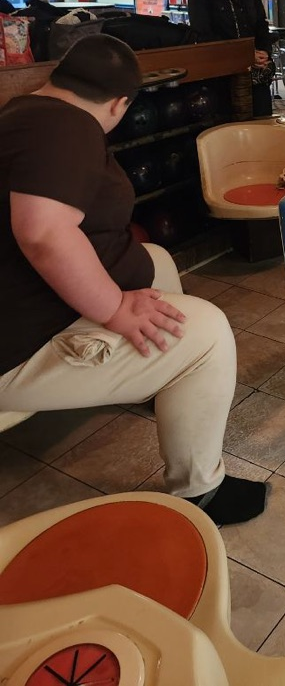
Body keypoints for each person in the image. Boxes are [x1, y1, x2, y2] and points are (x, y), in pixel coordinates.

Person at [0, 35, 266, 527]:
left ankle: (165, 382)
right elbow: (42, 233)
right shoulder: (68, 129)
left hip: (30, 304)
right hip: (15, 347)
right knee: (205, 332)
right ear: (121, 104)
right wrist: (115, 310)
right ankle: (200, 492)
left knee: (157, 260)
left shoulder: (23, 111)